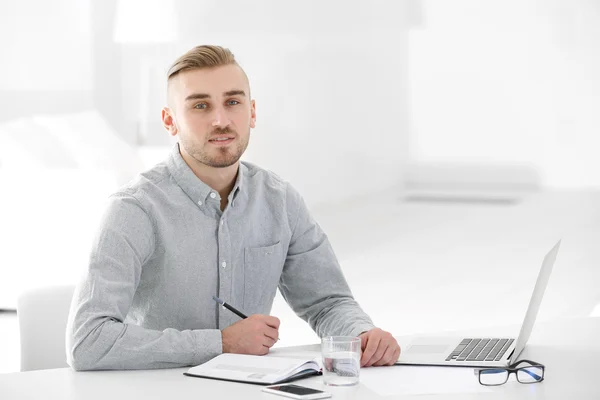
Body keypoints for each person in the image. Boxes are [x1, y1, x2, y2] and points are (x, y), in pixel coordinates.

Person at [66, 45, 401, 371]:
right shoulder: (134, 210)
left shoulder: (280, 200)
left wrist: (362, 335)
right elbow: (88, 341)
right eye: (200, 106)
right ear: (170, 121)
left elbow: (328, 302)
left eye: (233, 102)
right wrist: (220, 344)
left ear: (252, 112)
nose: (221, 120)